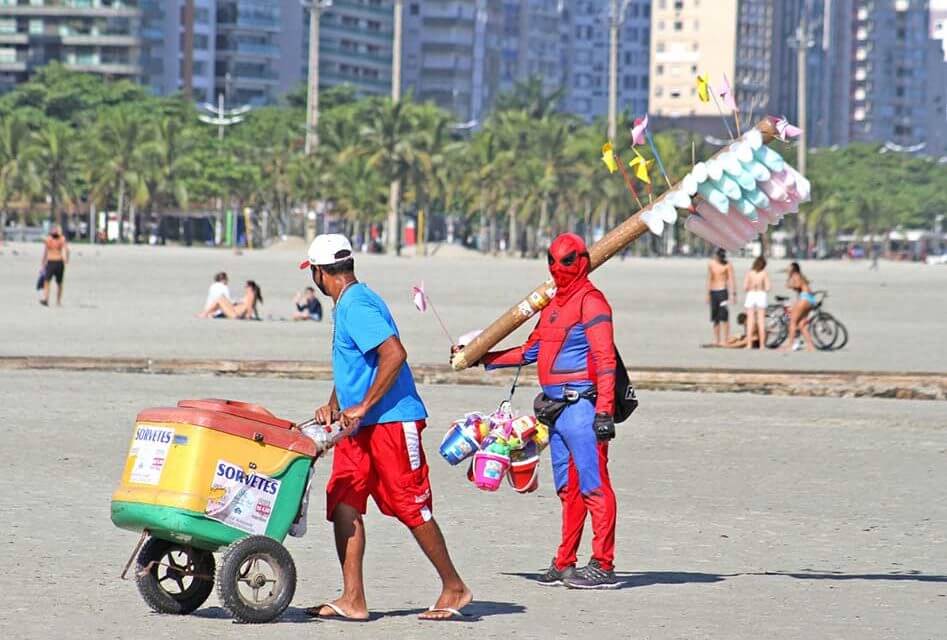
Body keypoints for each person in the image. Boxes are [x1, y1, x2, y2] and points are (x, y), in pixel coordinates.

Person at [300, 234, 471, 620]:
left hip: (391, 420)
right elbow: (356, 366)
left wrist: (362, 405)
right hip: (357, 427)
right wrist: (334, 405)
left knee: (410, 503)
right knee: (344, 497)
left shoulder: (357, 305)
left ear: (320, 273)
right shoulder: (346, 303)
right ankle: (353, 599)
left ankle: (454, 587)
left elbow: (394, 354)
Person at [478, 233, 619, 589]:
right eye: (552, 260)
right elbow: (530, 352)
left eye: (567, 260)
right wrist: (484, 358)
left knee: (594, 486)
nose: (558, 268)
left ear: (583, 261)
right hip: (556, 412)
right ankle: (564, 561)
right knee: (567, 490)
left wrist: (604, 411)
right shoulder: (552, 304)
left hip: (583, 408)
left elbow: (605, 361)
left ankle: (603, 564)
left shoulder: (593, 302)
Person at [782, 262, 816, 352]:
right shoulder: (799, 275)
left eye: (789, 268)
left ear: (793, 269)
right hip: (810, 299)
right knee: (801, 325)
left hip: (804, 298)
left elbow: (797, 285)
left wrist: (789, 285)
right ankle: (810, 346)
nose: (787, 269)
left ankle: (790, 345)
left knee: (792, 321)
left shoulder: (795, 275)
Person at [706, 248, 736, 346]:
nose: (720, 258)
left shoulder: (727, 265)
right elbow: (709, 278)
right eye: (719, 256)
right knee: (715, 317)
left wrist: (733, 294)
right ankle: (716, 339)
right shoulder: (711, 264)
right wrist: (707, 294)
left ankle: (725, 339)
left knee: (724, 316)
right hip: (713, 291)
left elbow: (731, 279)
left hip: (723, 292)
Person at [743, 256, 770, 351]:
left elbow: (745, 287)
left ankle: (749, 344)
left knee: (750, 321)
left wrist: (751, 286)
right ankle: (762, 345)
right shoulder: (764, 273)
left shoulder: (750, 273)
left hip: (751, 294)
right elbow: (768, 288)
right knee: (761, 321)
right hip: (761, 294)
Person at [40, 225, 69, 306]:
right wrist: (66, 259)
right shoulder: (62, 239)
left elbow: (45, 253)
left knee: (47, 281)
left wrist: (42, 265)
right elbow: (67, 250)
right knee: (59, 283)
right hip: (59, 262)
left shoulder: (48, 239)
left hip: (51, 262)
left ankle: (47, 299)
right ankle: (58, 301)